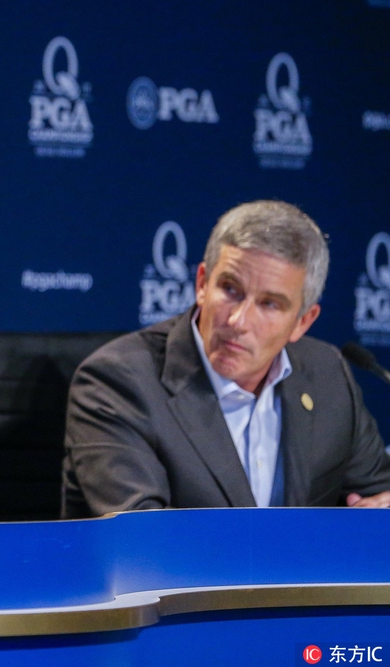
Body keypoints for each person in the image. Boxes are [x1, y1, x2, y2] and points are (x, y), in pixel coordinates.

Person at [62, 200, 390, 518]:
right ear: (202, 283)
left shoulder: (327, 374)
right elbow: (144, 537)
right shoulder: (118, 384)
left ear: (303, 322)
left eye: (269, 304)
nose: (238, 321)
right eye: (230, 289)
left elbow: (378, 494)